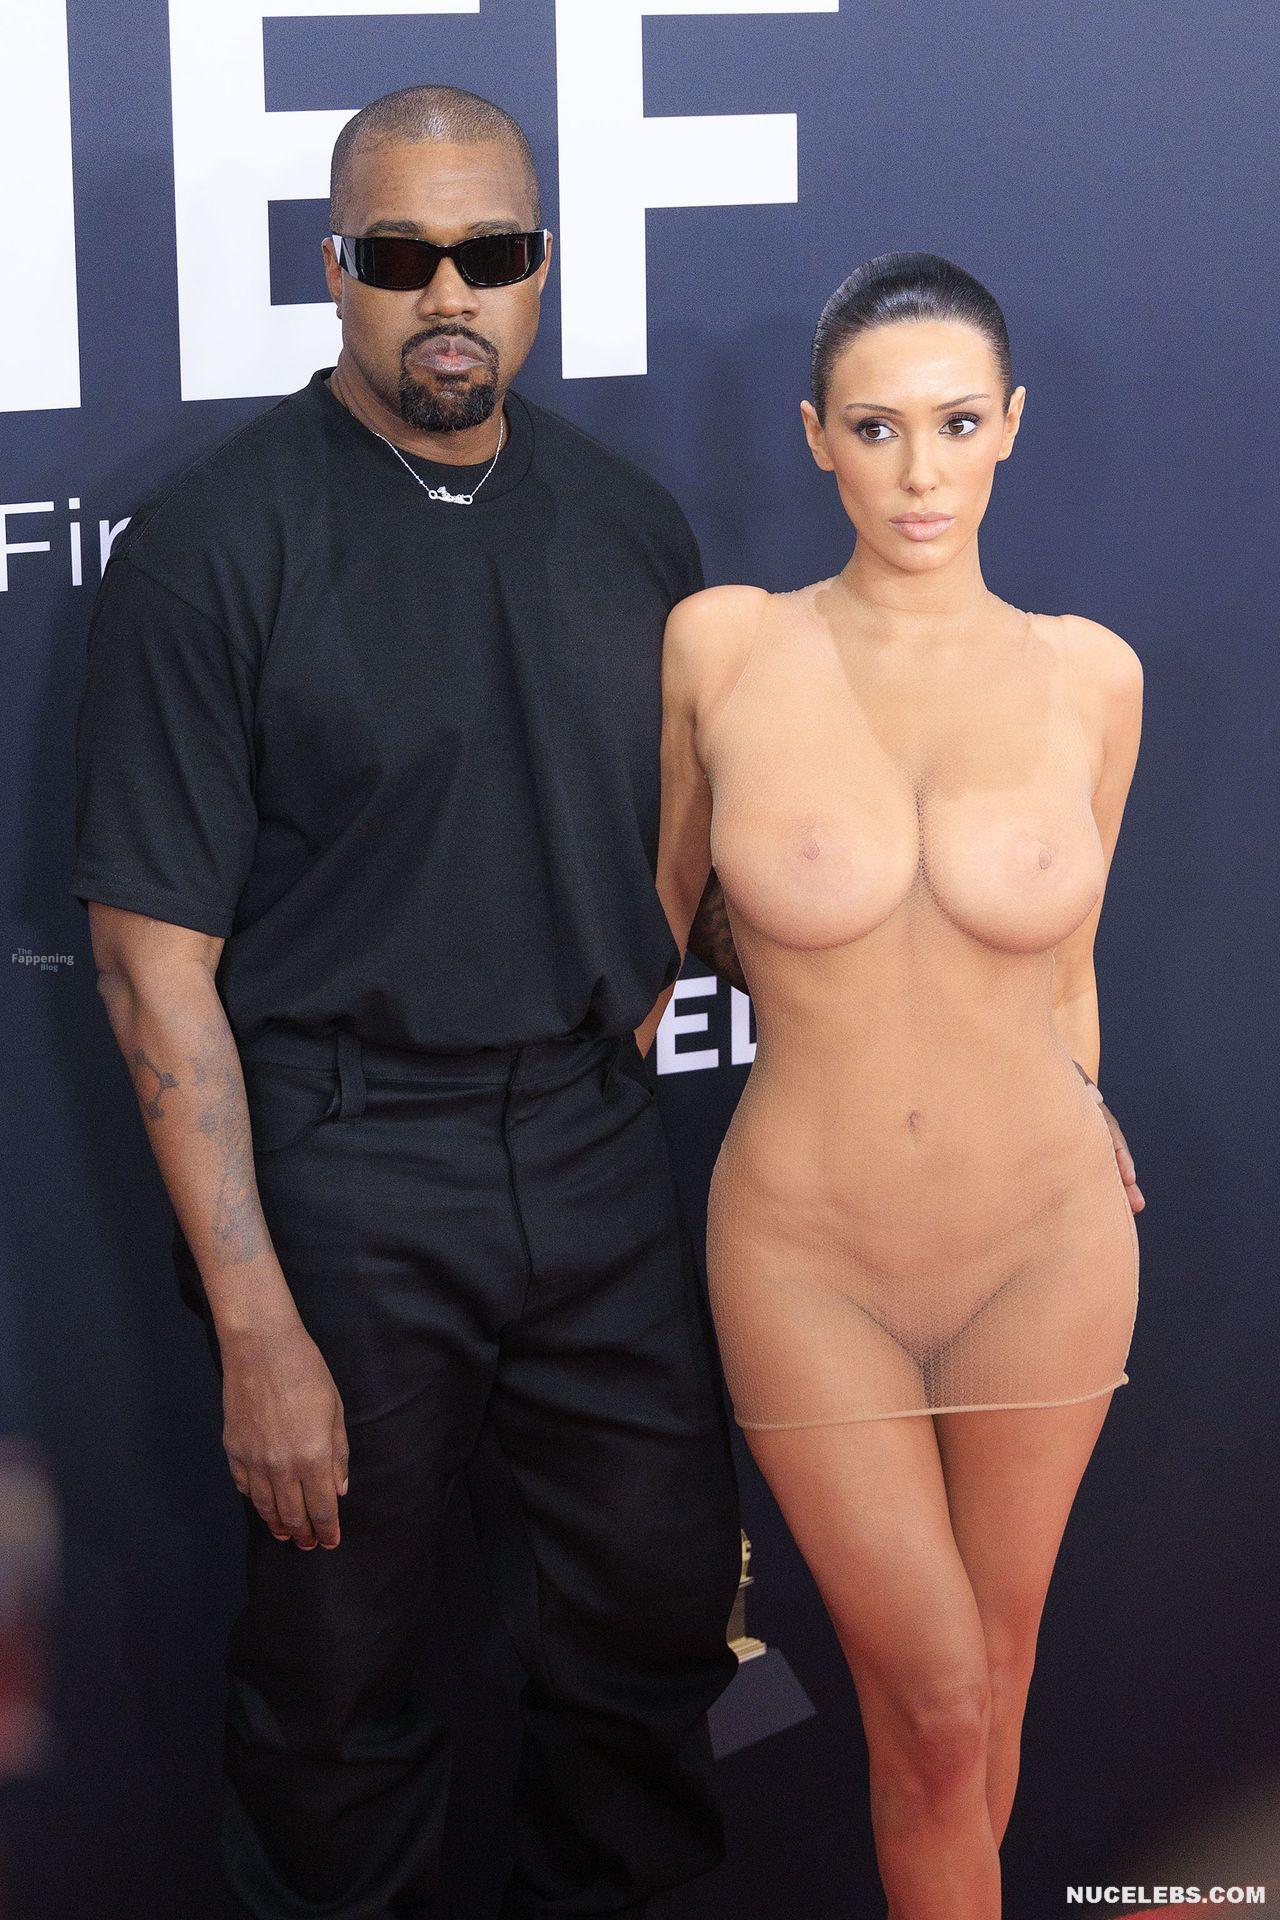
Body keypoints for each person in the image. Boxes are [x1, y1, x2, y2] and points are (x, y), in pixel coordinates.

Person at [70, 85, 744, 1920]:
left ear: (542, 268)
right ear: (335, 270)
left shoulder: (633, 527)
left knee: (650, 1644)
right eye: (401, 256)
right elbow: (149, 966)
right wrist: (256, 1323)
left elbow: (687, 860)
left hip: (598, 1156)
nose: (450, 294)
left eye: (490, 253)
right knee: (336, 1695)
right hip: (347, 1172)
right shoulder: (215, 544)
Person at [649, 252, 1144, 1920]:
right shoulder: (724, 649)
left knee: (986, 1688)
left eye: (955, 424)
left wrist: (1091, 1105)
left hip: (1046, 1247)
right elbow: (653, 937)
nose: (919, 471)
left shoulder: (1094, 676)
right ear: (815, 437)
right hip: (811, 1258)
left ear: (1012, 425)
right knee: (930, 1699)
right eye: (875, 428)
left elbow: (1068, 967)